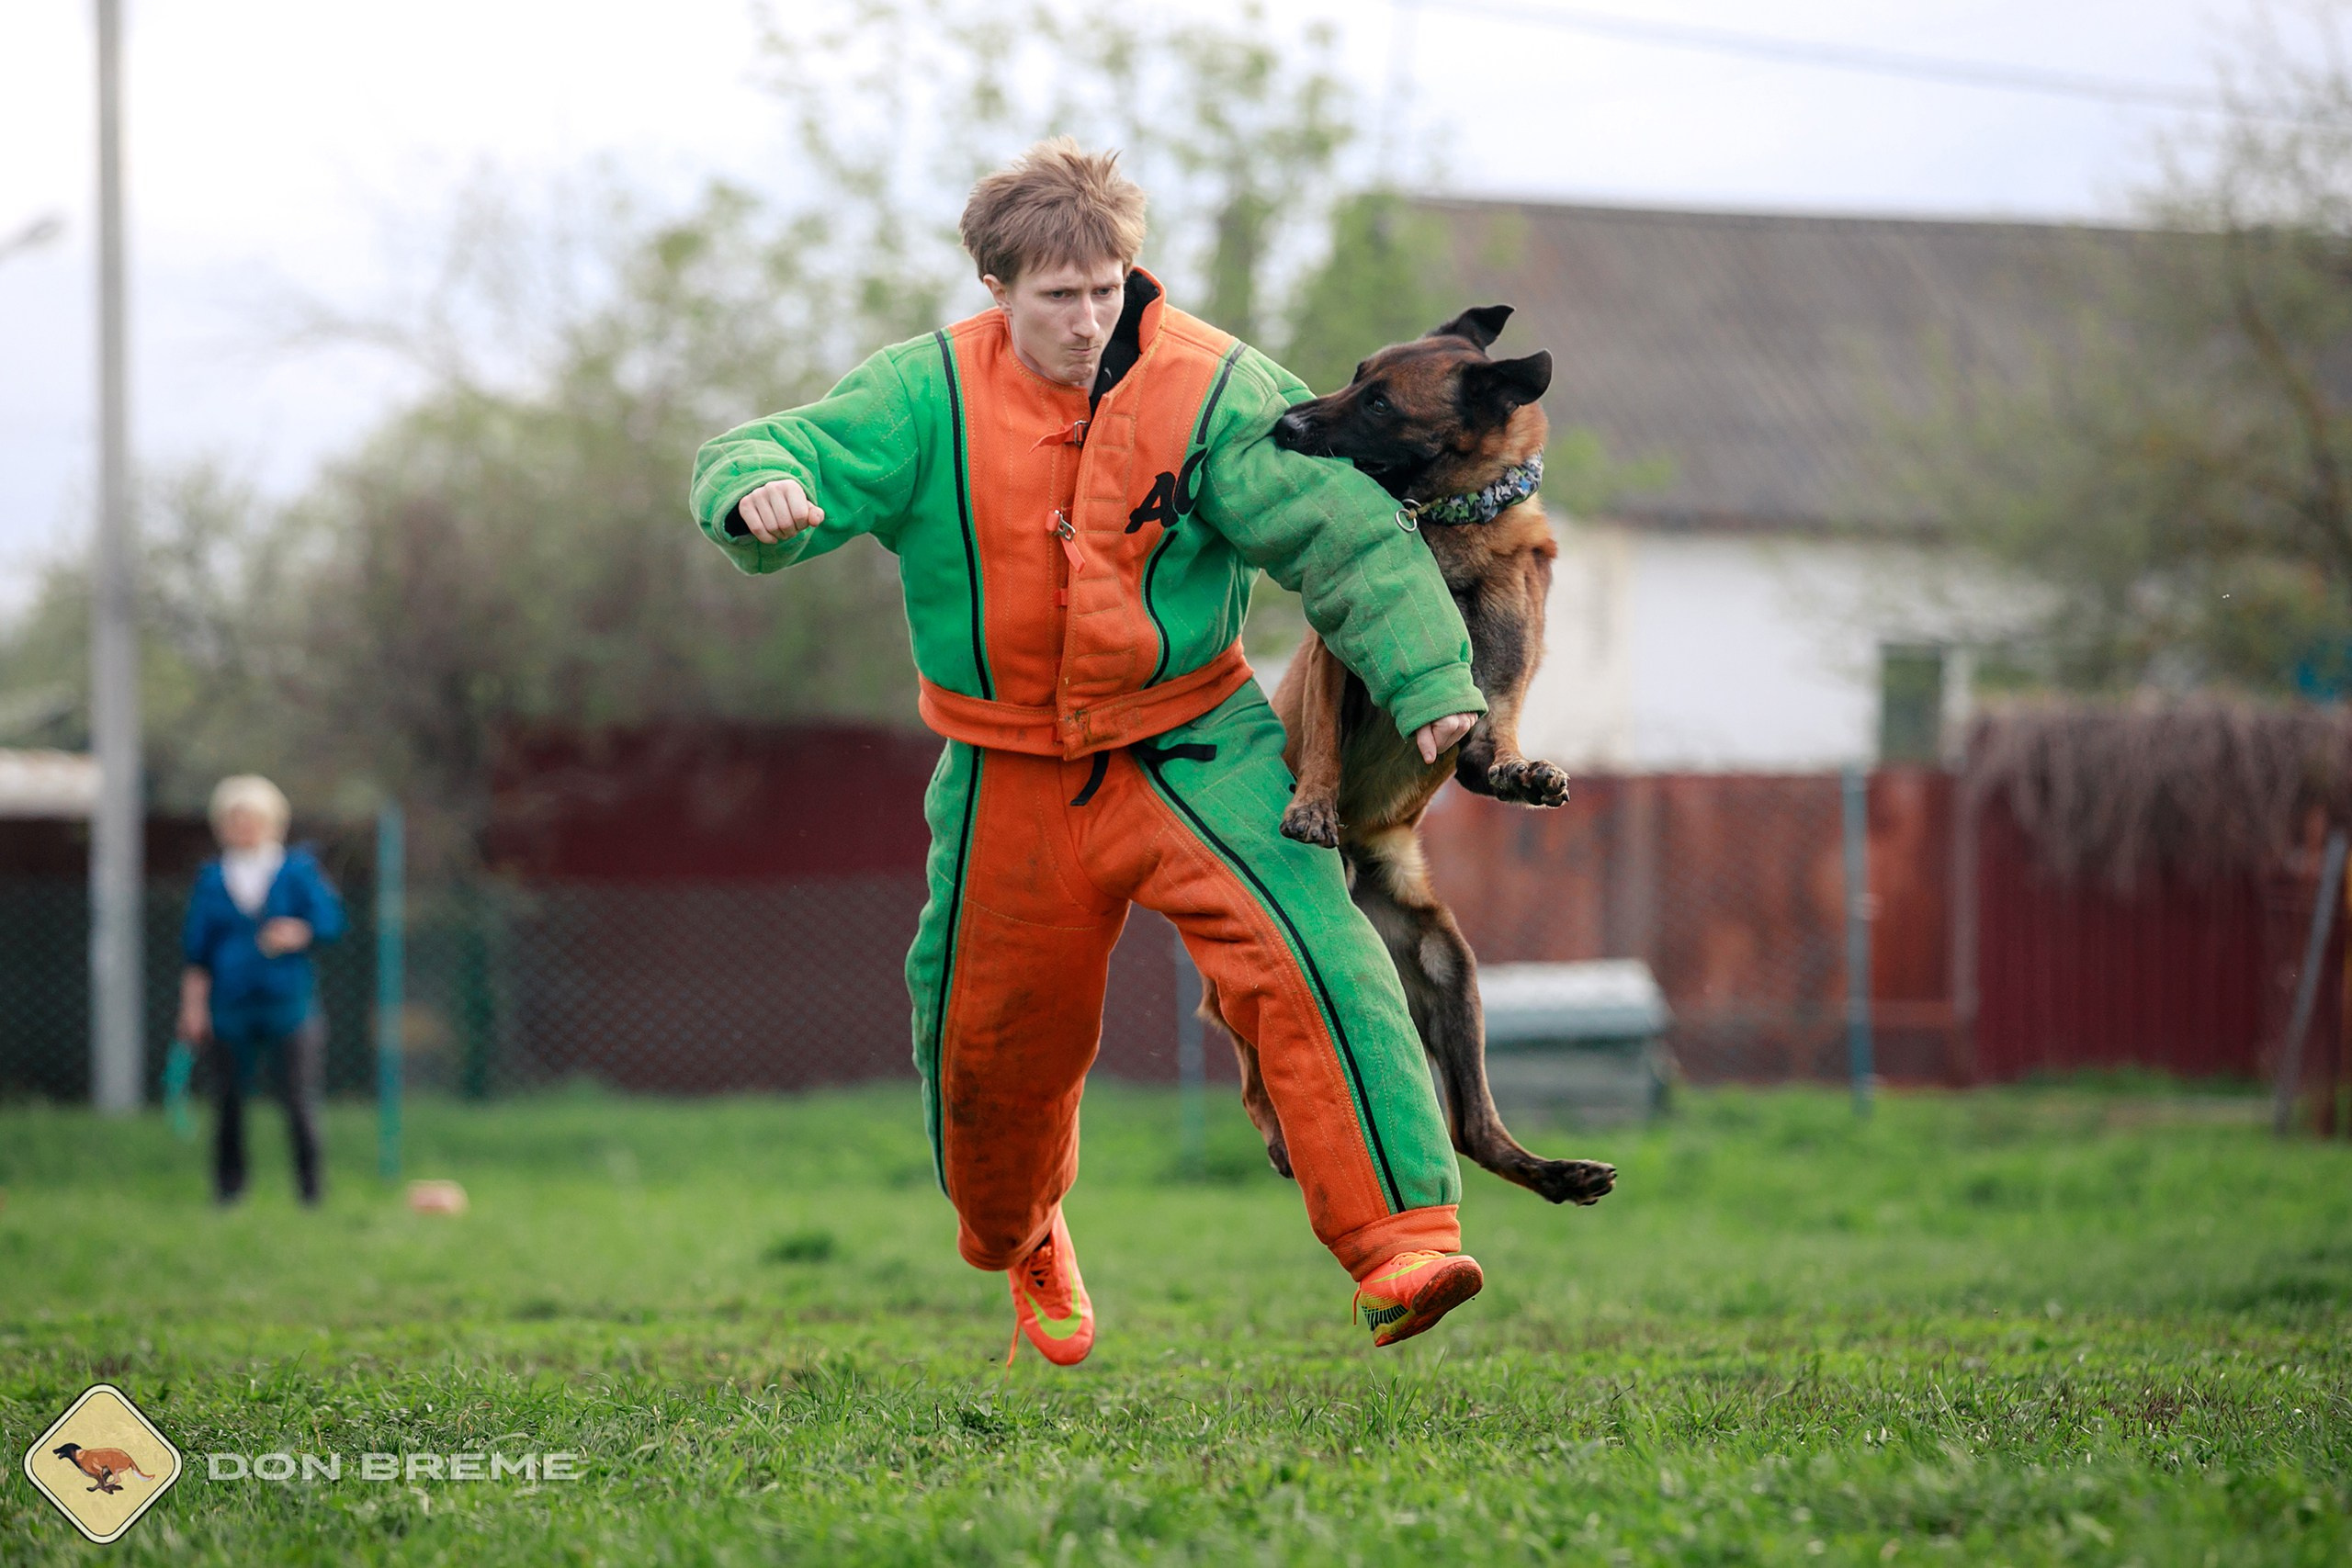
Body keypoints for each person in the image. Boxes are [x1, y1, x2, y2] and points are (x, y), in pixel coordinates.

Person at [692, 140, 1490, 1361]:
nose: (1087, 318)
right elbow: (776, 448)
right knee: (984, 1043)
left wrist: (1432, 678)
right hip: (1006, 766)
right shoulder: (923, 395)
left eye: (1107, 288)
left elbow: (1344, 536)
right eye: (1057, 296)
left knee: (1311, 949)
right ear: (998, 290)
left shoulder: (1214, 385)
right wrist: (755, 492)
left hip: (1193, 740)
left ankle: (1402, 1240)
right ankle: (1024, 1233)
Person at [176, 775, 346, 1205]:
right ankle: (229, 1193)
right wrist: (193, 1008)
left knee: (297, 1100)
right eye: (234, 818)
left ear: (273, 821)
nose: (243, 826)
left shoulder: (297, 871)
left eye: (251, 817)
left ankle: (311, 1195)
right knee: (228, 1101)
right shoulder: (213, 879)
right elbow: (197, 953)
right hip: (230, 1005)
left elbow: (330, 922)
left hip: (287, 1003)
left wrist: (299, 932)